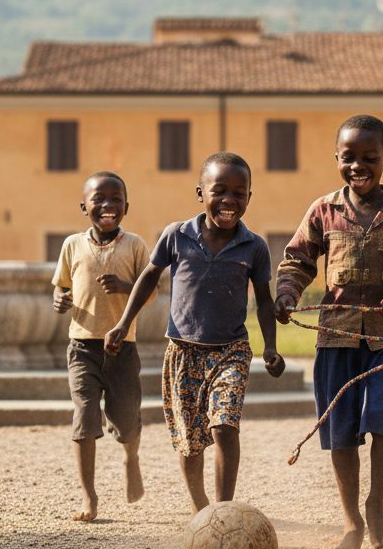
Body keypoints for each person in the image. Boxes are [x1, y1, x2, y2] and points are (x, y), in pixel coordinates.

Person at [275, 115, 383, 549]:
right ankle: (351, 520)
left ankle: (377, 504)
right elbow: (296, 260)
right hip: (337, 337)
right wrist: (288, 292)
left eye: (369, 158)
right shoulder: (323, 210)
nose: (358, 166)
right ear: (336, 158)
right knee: (342, 428)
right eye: (348, 157)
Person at [105, 153, 285, 513]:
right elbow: (148, 279)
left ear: (249, 197)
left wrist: (270, 347)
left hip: (231, 350)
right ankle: (200, 507)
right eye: (219, 191)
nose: (229, 200)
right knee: (189, 440)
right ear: (200, 192)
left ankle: (223, 509)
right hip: (183, 351)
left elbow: (265, 300)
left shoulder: (254, 246)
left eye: (239, 193)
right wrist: (124, 323)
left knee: (225, 425)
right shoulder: (177, 235)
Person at [52, 172, 153, 522]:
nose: (108, 205)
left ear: (127, 206)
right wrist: (60, 299)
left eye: (116, 199)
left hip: (123, 348)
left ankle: (130, 457)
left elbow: (150, 291)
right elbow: (61, 285)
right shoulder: (72, 245)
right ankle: (89, 496)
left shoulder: (135, 245)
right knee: (84, 416)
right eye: (99, 199)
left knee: (126, 419)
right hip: (82, 346)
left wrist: (126, 286)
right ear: (84, 207)